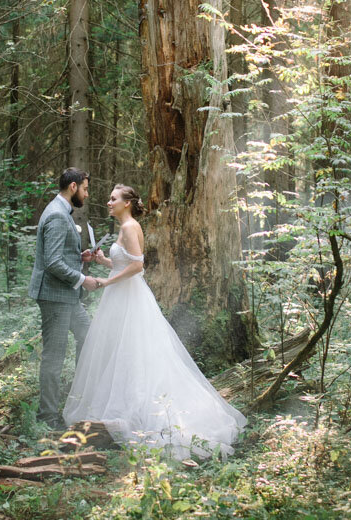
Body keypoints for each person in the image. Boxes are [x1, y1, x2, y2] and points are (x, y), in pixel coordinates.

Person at [63, 183, 247, 458]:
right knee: (122, 352)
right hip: (121, 295)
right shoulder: (127, 227)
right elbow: (126, 263)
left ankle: (144, 414)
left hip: (128, 297)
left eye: (113, 199)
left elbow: (138, 266)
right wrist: (103, 262)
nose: (108, 202)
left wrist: (105, 282)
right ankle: (125, 408)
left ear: (126, 203)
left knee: (135, 352)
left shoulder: (128, 228)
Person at [28, 168, 100, 429]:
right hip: (55, 297)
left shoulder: (62, 211)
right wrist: (84, 280)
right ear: (73, 187)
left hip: (67, 297)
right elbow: (52, 263)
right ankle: (47, 416)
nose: (87, 193)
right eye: (85, 188)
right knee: (54, 356)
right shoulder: (58, 215)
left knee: (88, 337)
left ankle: (78, 398)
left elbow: (60, 255)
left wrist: (81, 257)